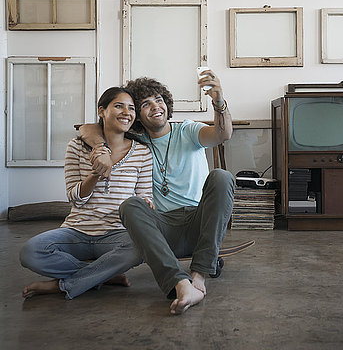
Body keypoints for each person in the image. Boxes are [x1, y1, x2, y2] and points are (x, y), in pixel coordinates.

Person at [80, 70, 234, 315]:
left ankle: (199, 277)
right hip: (162, 228)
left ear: (167, 104)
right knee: (130, 205)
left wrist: (218, 101)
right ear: (137, 115)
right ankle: (177, 282)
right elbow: (87, 128)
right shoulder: (135, 141)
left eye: (159, 100)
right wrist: (101, 148)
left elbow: (222, 134)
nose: (155, 107)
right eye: (145, 104)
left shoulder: (187, 130)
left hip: (199, 221)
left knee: (222, 176)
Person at [19, 87, 153, 300]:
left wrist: (146, 203)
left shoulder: (142, 152)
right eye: (118, 106)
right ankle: (104, 274)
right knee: (30, 252)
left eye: (131, 108)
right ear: (102, 111)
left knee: (140, 248)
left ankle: (66, 284)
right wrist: (95, 176)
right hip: (77, 231)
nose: (126, 112)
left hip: (116, 233)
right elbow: (73, 197)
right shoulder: (76, 147)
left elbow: (145, 194)